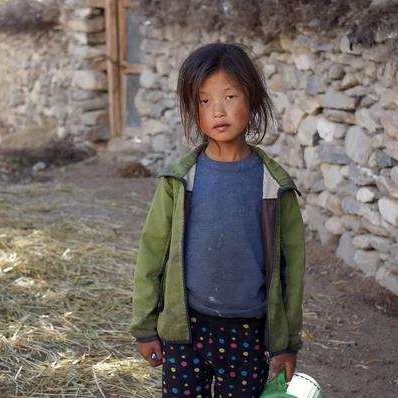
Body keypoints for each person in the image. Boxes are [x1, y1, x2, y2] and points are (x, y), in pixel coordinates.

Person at [130, 42, 306, 397]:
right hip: (186, 328)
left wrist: (286, 343)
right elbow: (151, 253)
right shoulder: (180, 180)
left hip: (248, 331)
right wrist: (146, 327)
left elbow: (292, 268)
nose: (218, 111)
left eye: (230, 96)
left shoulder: (274, 185)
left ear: (252, 100)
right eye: (204, 100)